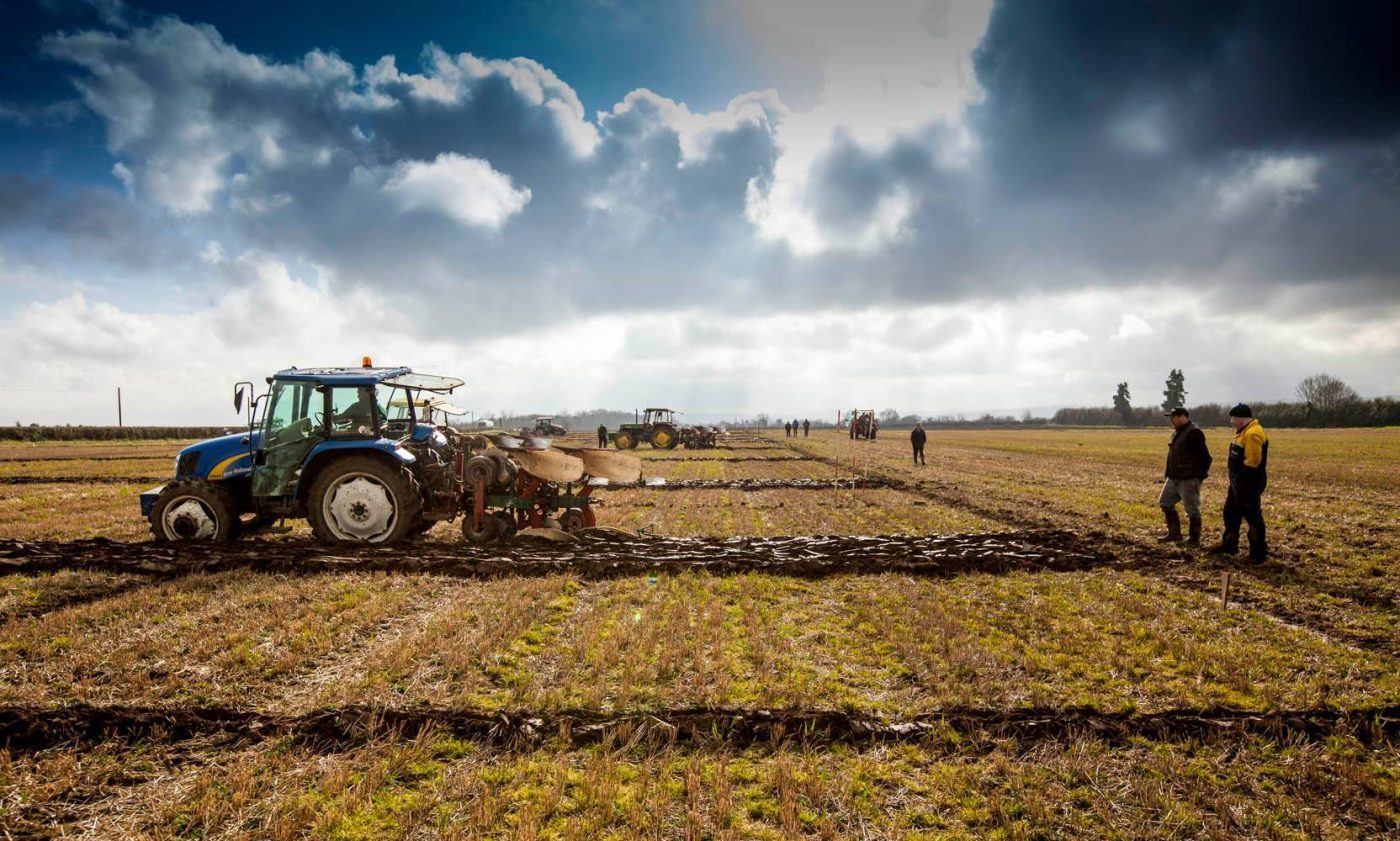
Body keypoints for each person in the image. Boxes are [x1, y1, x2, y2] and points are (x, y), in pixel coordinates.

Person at [1211, 404, 1270, 562]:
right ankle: (1229, 544)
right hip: (1237, 483)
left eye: (1233, 418)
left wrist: (1240, 479)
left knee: (1253, 516)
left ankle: (1258, 553)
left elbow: (1253, 461)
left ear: (1241, 418)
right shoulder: (1243, 432)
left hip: (1248, 483)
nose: (1231, 421)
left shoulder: (1252, 434)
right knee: (1230, 513)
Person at [1157, 407, 1212, 546]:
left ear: (1182, 417)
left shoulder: (1194, 433)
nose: (1170, 421)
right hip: (1173, 477)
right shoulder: (1177, 433)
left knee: (1192, 510)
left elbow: (1206, 458)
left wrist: (1197, 477)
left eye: (1172, 417)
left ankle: (1194, 540)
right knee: (1165, 502)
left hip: (1188, 479)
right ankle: (1174, 534)